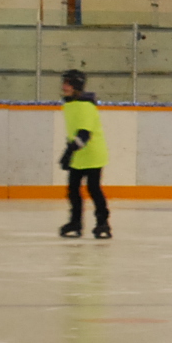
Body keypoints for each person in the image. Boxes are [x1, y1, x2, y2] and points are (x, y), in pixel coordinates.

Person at [58, 69, 111, 240]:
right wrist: (70, 152)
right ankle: (75, 222)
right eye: (64, 82)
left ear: (76, 86)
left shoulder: (85, 106)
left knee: (93, 188)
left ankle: (103, 223)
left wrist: (68, 153)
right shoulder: (69, 104)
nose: (64, 86)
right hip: (79, 154)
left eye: (68, 83)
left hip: (93, 153)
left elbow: (84, 135)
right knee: (73, 189)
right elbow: (74, 133)